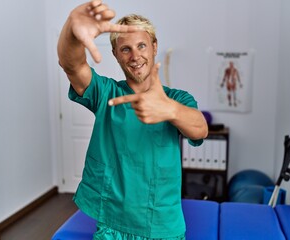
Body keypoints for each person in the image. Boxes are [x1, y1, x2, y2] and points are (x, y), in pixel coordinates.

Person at [57, 1, 208, 239]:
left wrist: (169, 109)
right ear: (115, 53)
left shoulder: (177, 98)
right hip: (113, 223)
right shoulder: (106, 93)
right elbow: (72, 65)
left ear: (154, 47)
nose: (135, 56)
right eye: (125, 49)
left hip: (162, 224)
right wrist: (71, 29)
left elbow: (200, 129)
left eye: (141, 46)